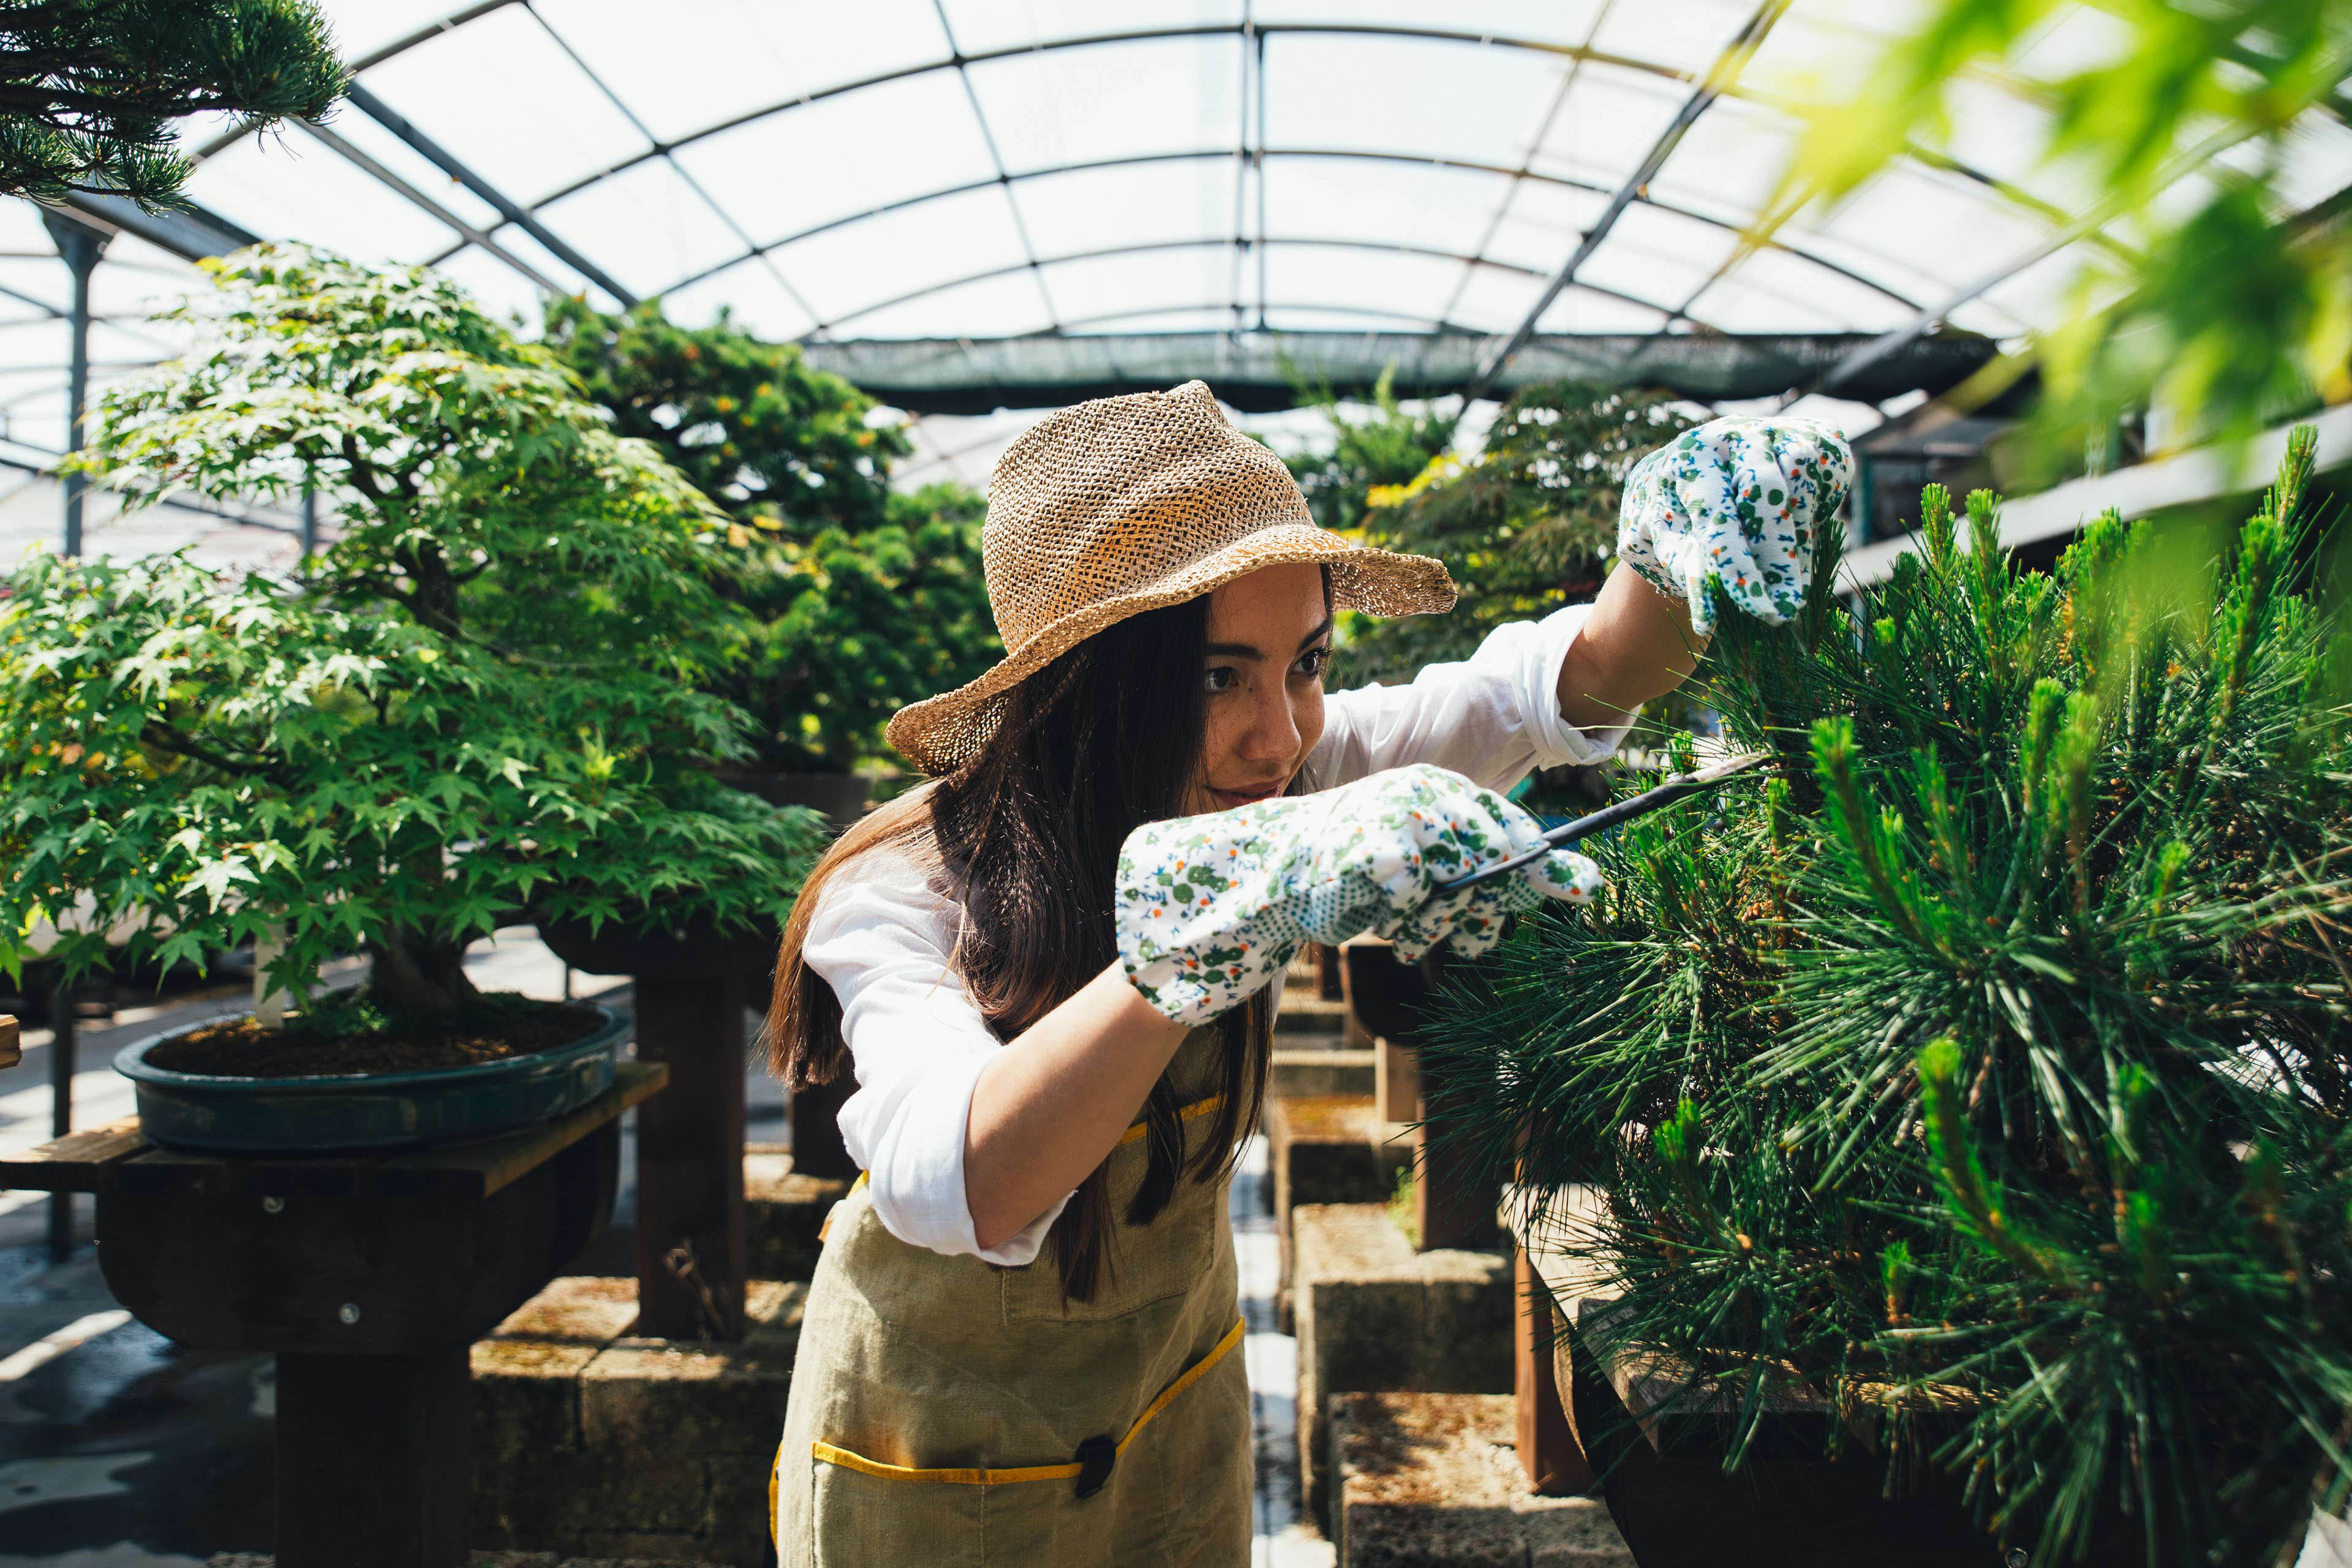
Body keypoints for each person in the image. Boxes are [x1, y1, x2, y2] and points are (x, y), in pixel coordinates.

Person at [763, 380, 1851, 1565]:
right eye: (1215, 677)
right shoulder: (911, 886)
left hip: (1174, 1410)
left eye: (1307, 664)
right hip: (939, 1454)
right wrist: (1197, 934)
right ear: (1090, 684)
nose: (1278, 736)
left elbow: (1547, 686)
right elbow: (957, 1177)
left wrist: (1673, 549)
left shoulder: (1286, 775)